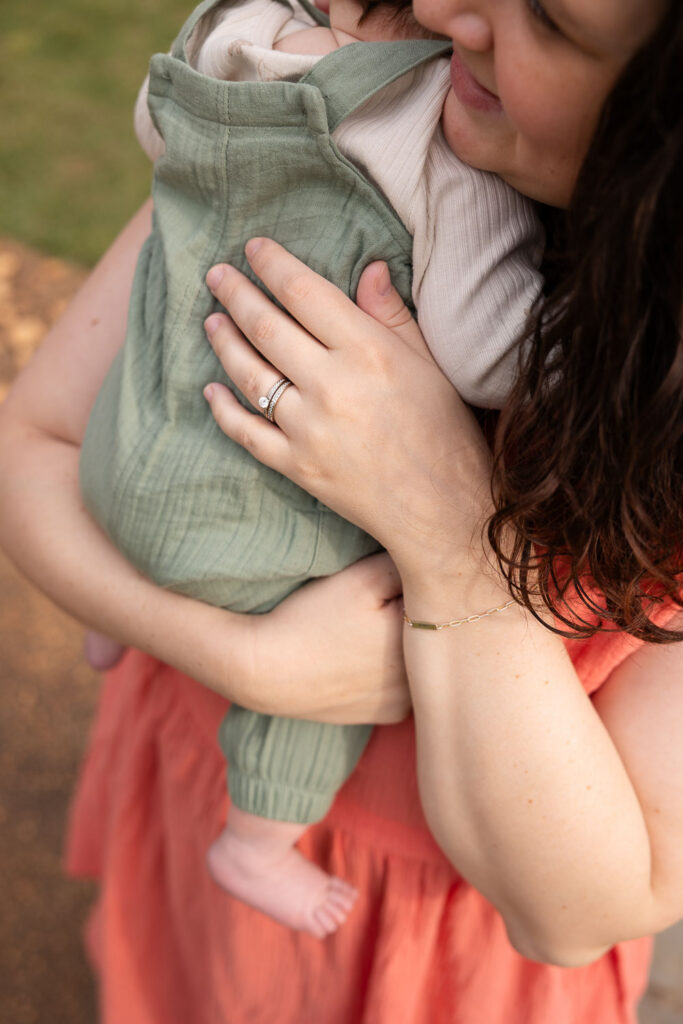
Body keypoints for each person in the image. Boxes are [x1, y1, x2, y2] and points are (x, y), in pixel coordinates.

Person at [0, 1, 680, 1023]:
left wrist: (450, 531)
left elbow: (581, 910)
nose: (449, 6)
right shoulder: (369, 109)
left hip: (428, 971)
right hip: (208, 798)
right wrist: (248, 663)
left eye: (548, 17)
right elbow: (28, 450)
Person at [77, 0, 541, 939]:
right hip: (253, 534)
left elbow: (152, 130)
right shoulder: (435, 127)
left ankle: (107, 616)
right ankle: (255, 843)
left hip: (125, 450)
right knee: (342, 644)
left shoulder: (228, 28)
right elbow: (485, 348)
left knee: (149, 378)